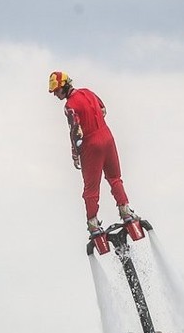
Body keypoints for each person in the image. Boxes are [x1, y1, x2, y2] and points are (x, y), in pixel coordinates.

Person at [48, 70, 138, 235]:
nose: (55, 95)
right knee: (115, 178)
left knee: (91, 188)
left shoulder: (70, 106)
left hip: (91, 145)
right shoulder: (88, 92)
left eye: (56, 91)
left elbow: (75, 130)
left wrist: (75, 154)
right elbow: (103, 109)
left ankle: (93, 223)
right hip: (107, 137)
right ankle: (125, 211)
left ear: (63, 87)